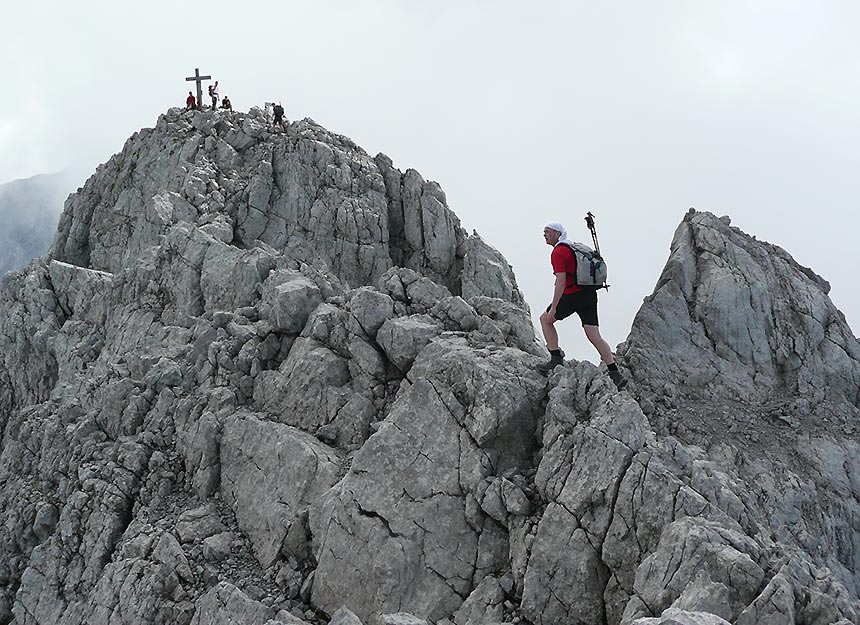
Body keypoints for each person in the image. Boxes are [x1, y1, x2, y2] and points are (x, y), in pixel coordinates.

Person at [537, 221, 628, 389]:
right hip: (589, 295)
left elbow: (561, 281)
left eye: (547, 231)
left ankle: (555, 358)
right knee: (594, 335)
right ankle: (615, 372)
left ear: (558, 234)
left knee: (545, 319)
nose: (544, 234)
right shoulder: (572, 247)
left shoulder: (558, 252)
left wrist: (554, 308)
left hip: (572, 296)